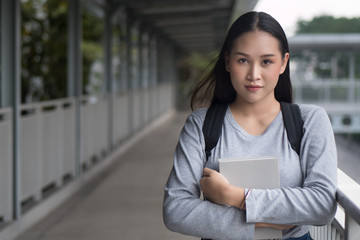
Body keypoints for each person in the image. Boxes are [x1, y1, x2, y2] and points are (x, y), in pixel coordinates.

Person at [163, 11, 337, 240]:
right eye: (243, 60)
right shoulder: (201, 125)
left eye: (266, 61)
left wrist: (235, 196)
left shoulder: (310, 121)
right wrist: (264, 225)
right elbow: (175, 209)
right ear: (227, 62)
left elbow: (323, 204)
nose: (254, 75)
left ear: (284, 63)